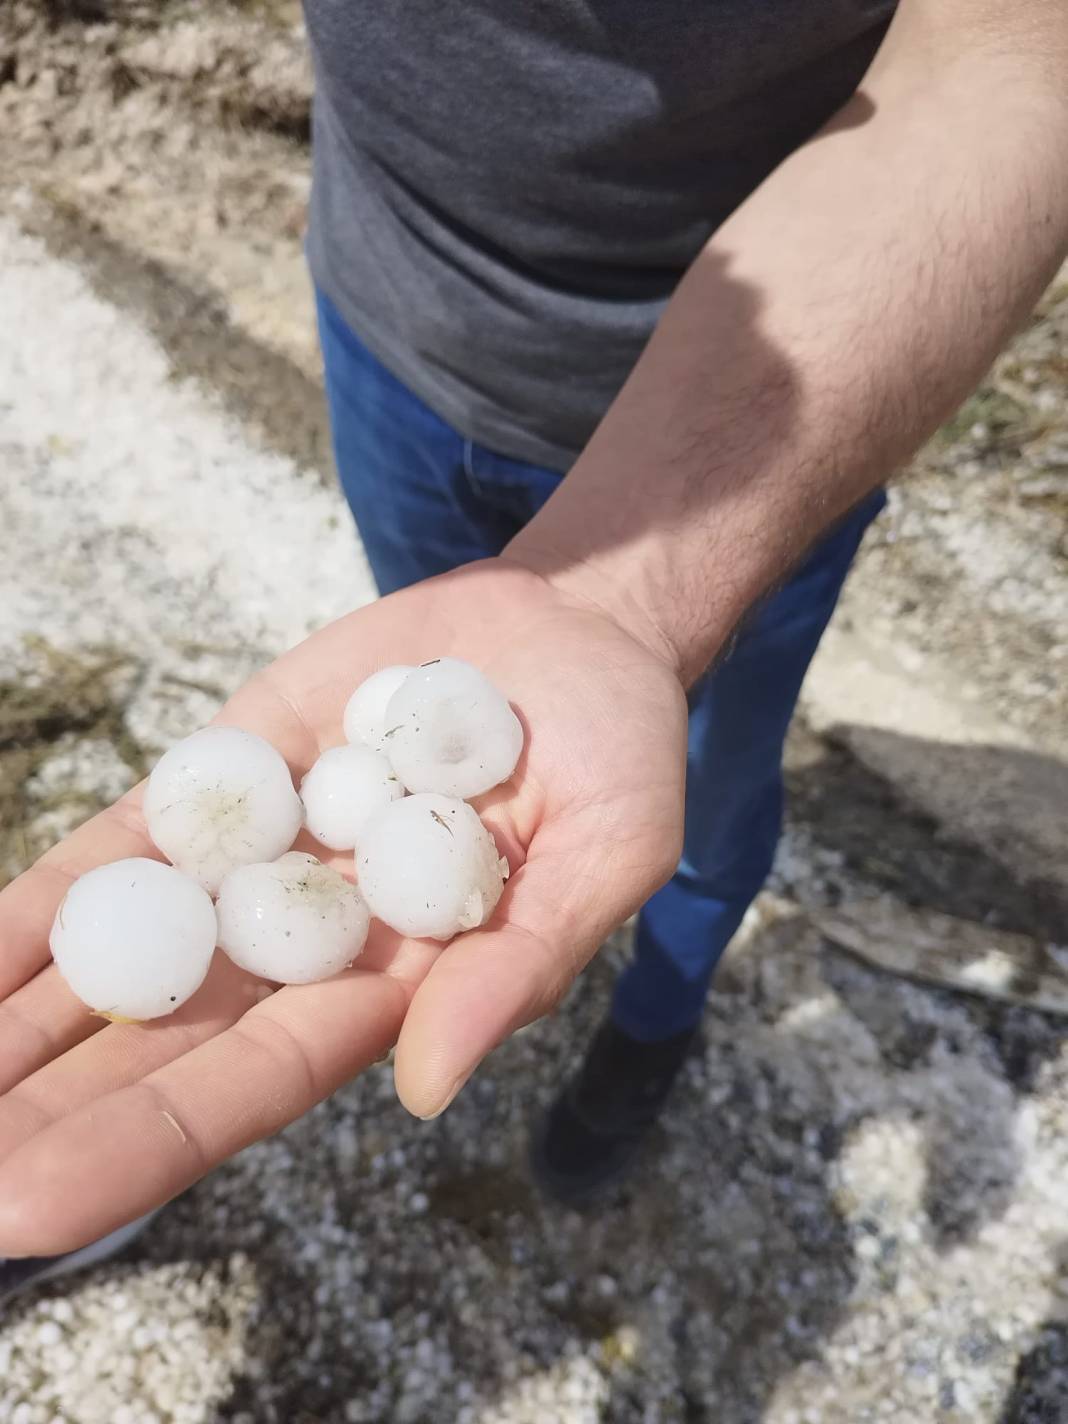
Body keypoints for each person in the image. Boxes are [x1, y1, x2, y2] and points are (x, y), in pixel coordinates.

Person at [0, 0, 1065, 1294]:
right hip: (390, 324)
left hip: (774, 422)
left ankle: (656, 1021)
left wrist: (633, 601)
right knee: (470, 698)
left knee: (703, 792)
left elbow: (1016, 58)